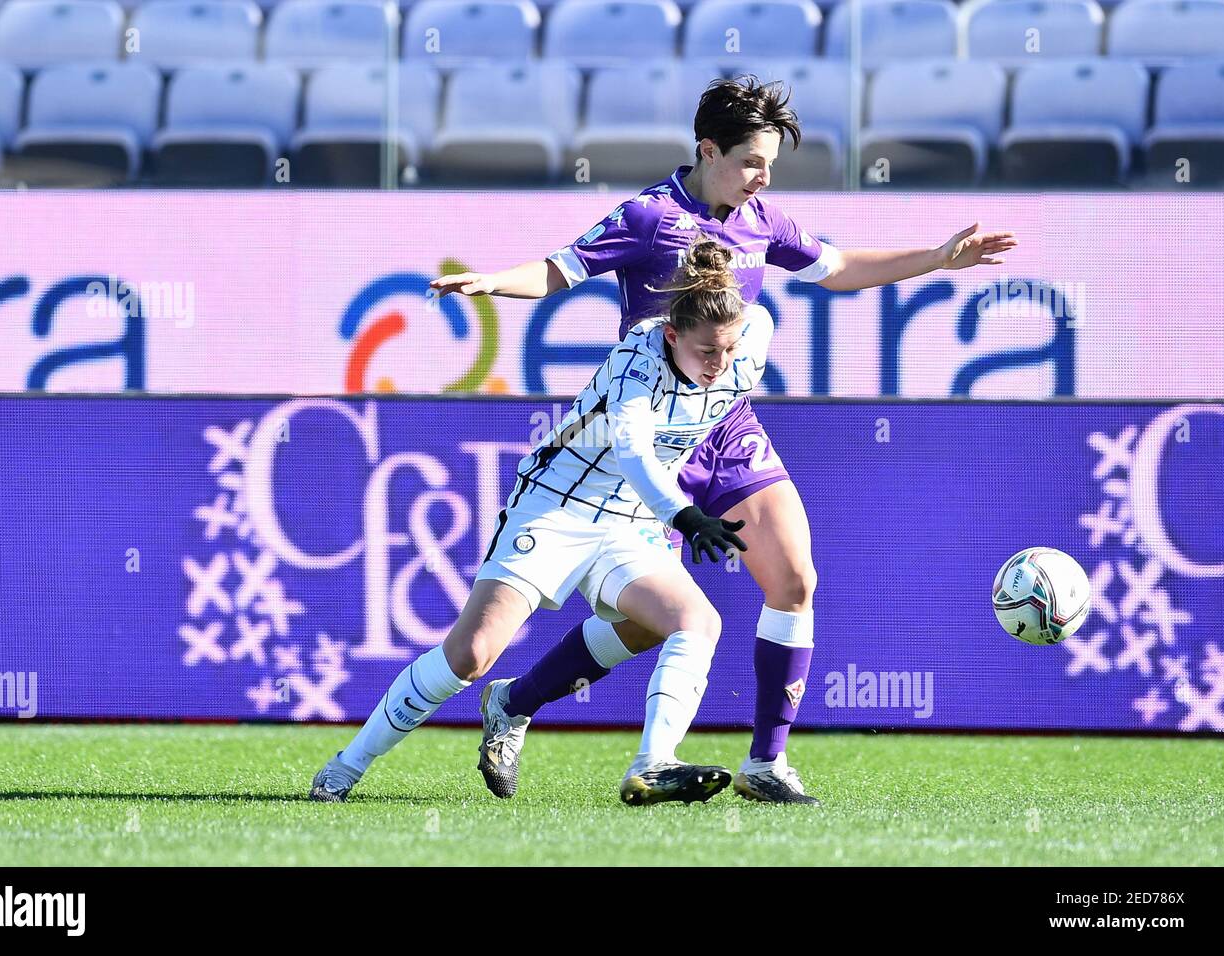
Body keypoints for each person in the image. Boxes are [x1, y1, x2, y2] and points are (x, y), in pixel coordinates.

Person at [431, 75, 1017, 804]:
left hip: (730, 431)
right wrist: (492, 282)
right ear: (707, 151)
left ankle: (766, 763)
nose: (763, 177)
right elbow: (560, 269)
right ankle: (514, 703)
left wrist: (936, 258)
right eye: (751, 162)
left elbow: (838, 271)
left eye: (770, 163)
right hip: (654, 446)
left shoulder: (762, 221)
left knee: (796, 578)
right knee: (641, 630)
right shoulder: (648, 217)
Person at [312, 235, 776, 805]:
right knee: (472, 655)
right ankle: (344, 768)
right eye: (707, 351)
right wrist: (682, 513)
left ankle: (653, 763)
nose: (721, 364)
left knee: (693, 621)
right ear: (673, 334)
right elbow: (631, 449)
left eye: (729, 349)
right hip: (557, 505)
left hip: (629, 519)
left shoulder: (754, 331)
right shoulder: (639, 355)